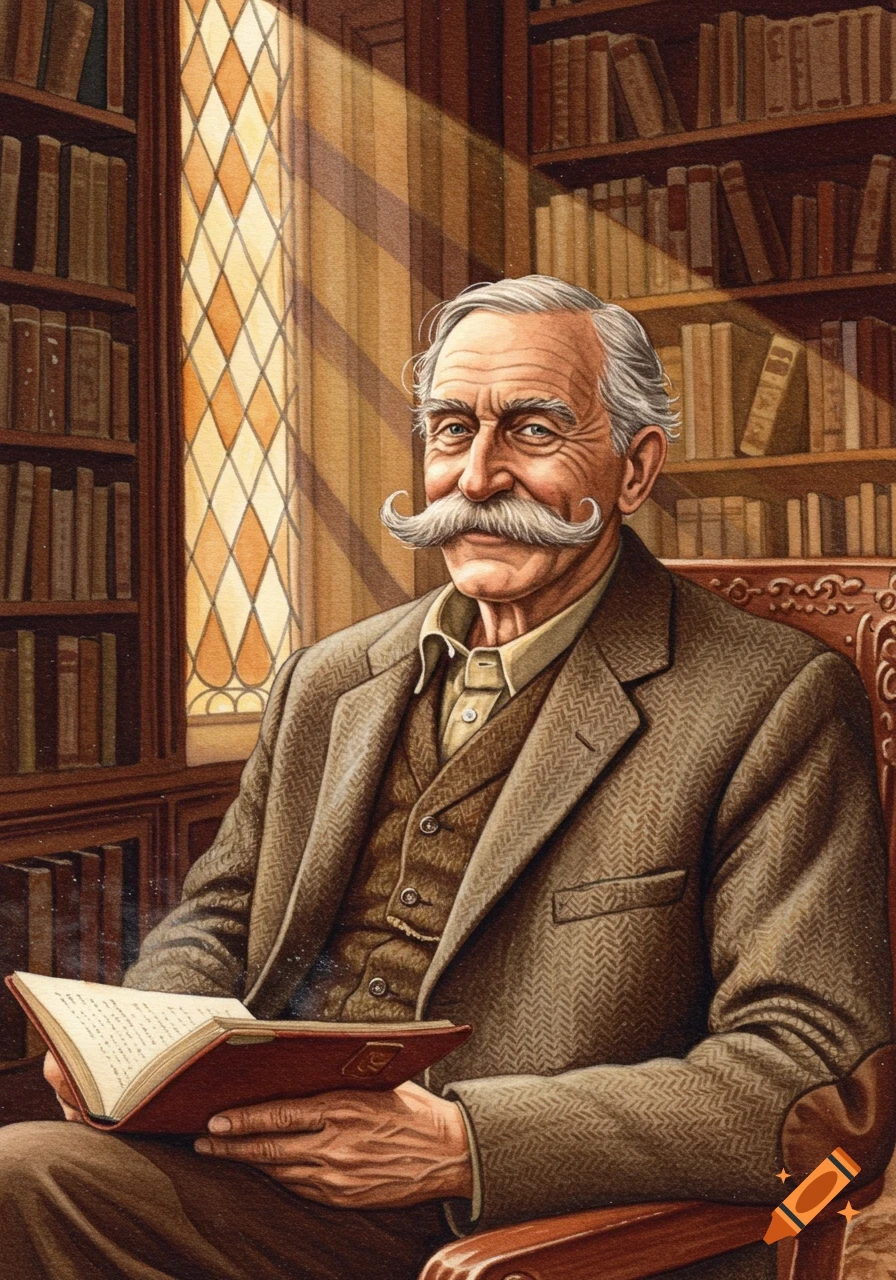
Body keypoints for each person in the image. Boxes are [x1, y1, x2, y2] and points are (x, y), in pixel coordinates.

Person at [0, 277, 890, 1280]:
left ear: (635, 468)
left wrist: (460, 1140)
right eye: (450, 427)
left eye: (532, 430)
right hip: (256, 1177)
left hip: (525, 1222)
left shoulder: (767, 699)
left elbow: (814, 1074)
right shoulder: (327, 677)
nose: (476, 474)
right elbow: (219, 917)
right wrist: (143, 1057)